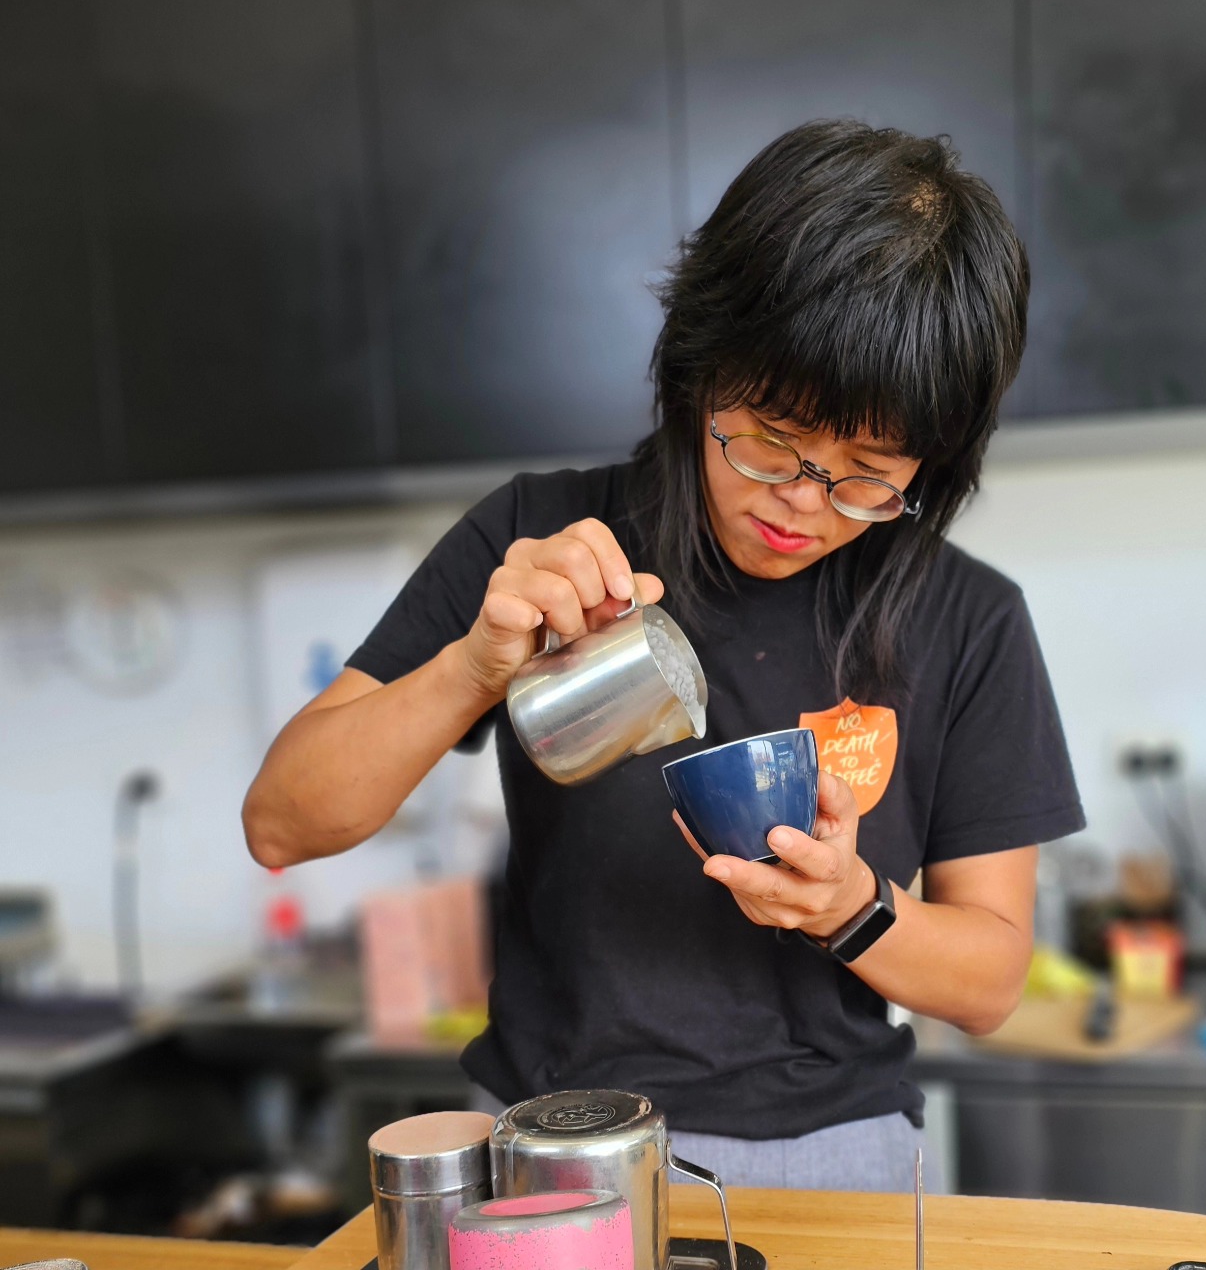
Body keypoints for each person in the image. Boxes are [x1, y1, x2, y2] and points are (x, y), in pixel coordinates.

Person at [242, 120, 1084, 1191]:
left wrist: (850, 908)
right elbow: (281, 824)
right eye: (772, 439)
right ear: (698, 368)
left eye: (867, 472)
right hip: (555, 1146)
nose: (804, 501)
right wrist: (475, 667)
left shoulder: (966, 618)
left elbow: (991, 983)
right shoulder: (539, 541)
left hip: (836, 1155)